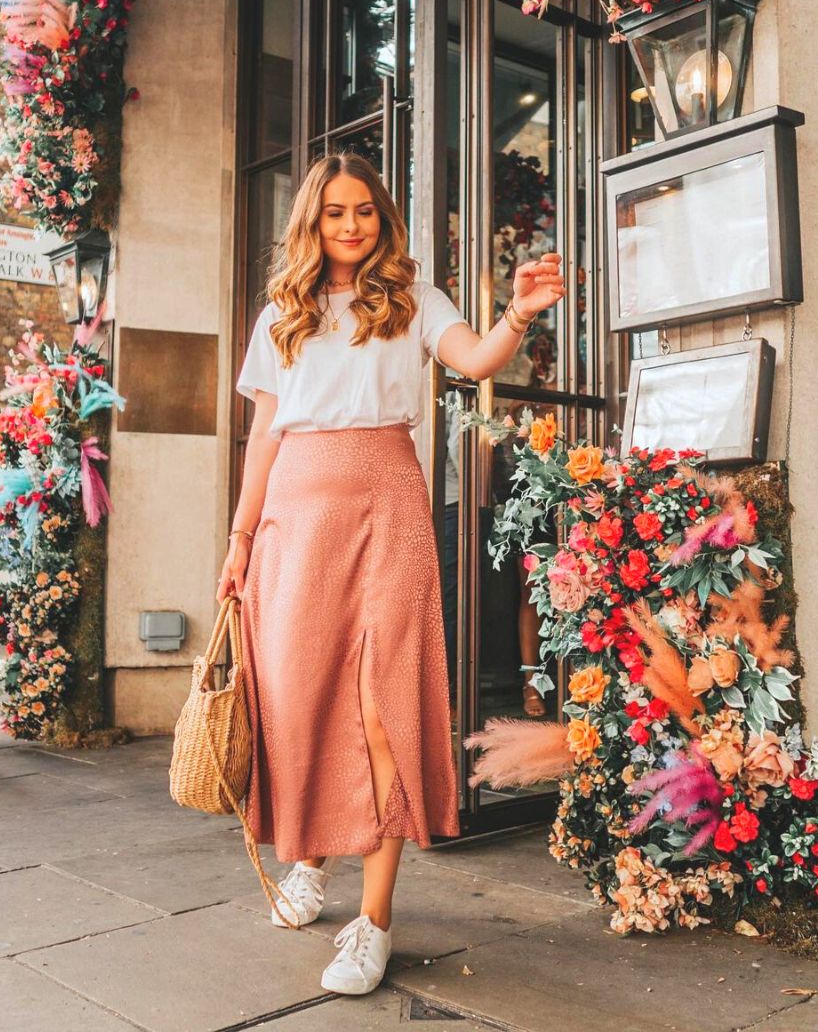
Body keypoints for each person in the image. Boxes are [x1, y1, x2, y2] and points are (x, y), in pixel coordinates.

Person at [217, 151, 565, 997]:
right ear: (314, 220)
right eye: (335, 212)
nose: (350, 226)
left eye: (364, 210)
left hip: (388, 503)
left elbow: (476, 359)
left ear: (382, 216)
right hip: (295, 516)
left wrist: (516, 315)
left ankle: (373, 922)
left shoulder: (413, 300)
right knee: (302, 701)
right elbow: (264, 436)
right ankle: (308, 860)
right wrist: (238, 537)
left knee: (381, 708)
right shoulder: (281, 316)